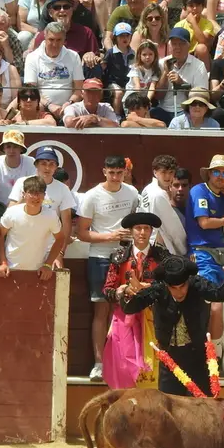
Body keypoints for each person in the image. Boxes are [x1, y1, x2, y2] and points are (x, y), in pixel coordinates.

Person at [119, 254, 224, 396]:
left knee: (201, 404)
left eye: (183, 286)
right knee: (169, 405)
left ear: (188, 280)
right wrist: (128, 292)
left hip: (197, 355)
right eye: (174, 288)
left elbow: (220, 294)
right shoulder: (159, 289)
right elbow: (130, 307)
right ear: (167, 285)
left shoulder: (197, 284)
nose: (180, 292)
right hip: (169, 357)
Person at [76, 155, 139, 381]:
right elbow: (81, 232)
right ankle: (100, 363)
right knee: (101, 310)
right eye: (111, 172)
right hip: (101, 256)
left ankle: (121, 360)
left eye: (119, 172)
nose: (115, 176)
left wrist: (132, 234)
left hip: (127, 257)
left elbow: (139, 223)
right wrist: (109, 236)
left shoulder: (132, 193)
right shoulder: (92, 196)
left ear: (125, 172)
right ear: (104, 171)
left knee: (123, 310)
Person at [185, 154, 224, 365]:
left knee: (215, 305)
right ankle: (208, 356)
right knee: (211, 306)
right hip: (201, 254)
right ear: (209, 173)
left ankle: (213, 356)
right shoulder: (199, 191)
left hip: (218, 256)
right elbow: (204, 223)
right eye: (217, 171)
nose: (221, 176)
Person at [100, 211, 167, 391]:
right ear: (131, 231)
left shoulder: (162, 256)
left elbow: (169, 287)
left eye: (146, 228)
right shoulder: (119, 257)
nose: (142, 232)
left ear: (151, 231)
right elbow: (107, 290)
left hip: (153, 317)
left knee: (153, 368)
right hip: (125, 317)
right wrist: (122, 291)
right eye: (138, 228)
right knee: (123, 365)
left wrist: (147, 289)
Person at [23, 20, 82, 120]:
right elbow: (31, 90)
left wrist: (69, 103)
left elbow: (79, 90)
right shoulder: (32, 57)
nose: (55, 44)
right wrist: (49, 105)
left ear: (64, 40)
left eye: (59, 40)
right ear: (45, 38)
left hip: (69, 106)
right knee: (34, 108)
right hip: (42, 105)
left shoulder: (73, 56)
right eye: (51, 39)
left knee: (72, 117)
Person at [153, 26, 209, 125]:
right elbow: (158, 96)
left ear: (188, 46)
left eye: (181, 44)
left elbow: (201, 98)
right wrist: (165, 73)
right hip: (163, 109)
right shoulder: (162, 63)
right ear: (169, 46)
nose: (177, 47)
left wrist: (181, 83)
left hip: (187, 111)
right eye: (174, 44)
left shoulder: (198, 66)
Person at [0, 129, 36, 205]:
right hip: (0, 209)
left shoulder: (31, 162)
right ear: (3, 148)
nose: (11, 150)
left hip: (24, 208)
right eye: (8, 147)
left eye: (15, 147)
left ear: (21, 148)